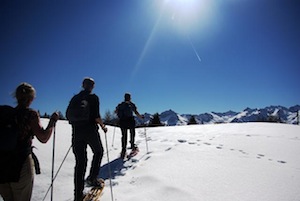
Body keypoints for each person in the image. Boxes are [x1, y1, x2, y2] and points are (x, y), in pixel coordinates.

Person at [0, 82, 59, 201]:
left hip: (1, 163)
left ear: (16, 97)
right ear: (31, 98)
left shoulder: (4, 114)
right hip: (21, 163)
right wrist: (52, 121)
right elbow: (43, 137)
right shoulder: (30, 114)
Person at [66, 77, 107, 201]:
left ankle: (77, 195)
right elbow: (96, 116)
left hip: (77, 132)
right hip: (90, 131)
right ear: (92, 86)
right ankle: (92, 178)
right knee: (98, 151)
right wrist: (103, 126)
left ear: (83, 85)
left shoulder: (75, 98)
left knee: (80, 163)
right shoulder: (93, 98)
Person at [115, 93, 144, 158]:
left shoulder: (120, 105)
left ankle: (123, 150)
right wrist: (141, 117)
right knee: (132, 133)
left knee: (124, 135)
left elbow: (116, 112)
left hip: (122, 121)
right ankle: (132, 146)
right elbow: (136, 112)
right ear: (130, 97)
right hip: (130, 121)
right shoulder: (132, 104)